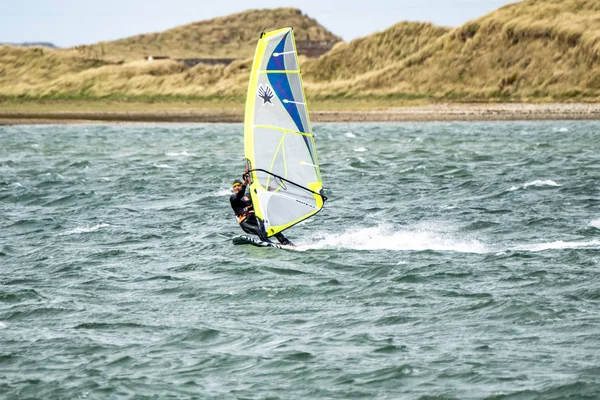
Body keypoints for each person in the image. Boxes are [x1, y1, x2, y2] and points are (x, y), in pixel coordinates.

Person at [230, 174, 294, 246]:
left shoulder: (249, 195)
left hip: (256, 218)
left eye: (238, 185)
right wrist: (245, 184)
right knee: (259, 230)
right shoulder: (233, 198)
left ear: (241, 186)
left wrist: (270, 188)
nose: (236, 187)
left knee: (273, 229)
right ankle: (270, 244)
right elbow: (240, 194)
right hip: (246, 222)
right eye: (234, 186)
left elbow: (259, 191)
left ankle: (287, 243)